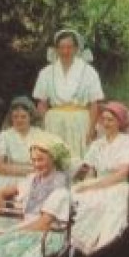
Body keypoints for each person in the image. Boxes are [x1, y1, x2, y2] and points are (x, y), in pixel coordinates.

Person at [71, 101, 129, 254]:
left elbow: (122, 174)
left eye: (110, 120)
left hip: (118, 185)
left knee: (103, 202)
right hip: (98, 182)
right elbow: (91, 172)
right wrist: (86, 185)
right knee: (75, 196)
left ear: (119, 122)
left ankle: (100, 245)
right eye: (103, 119)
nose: (106, 123)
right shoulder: (97, 144)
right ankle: (77, 242)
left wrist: (93, 186)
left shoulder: (127, 142)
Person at [32, 28, 104, 169]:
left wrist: (91, 129)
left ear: (76, 48)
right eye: (62, 47)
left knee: (79, 160)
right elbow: (42, 102)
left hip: (80, 121)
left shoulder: (88, 71)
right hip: (54, 122)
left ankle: (79, 186)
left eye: (69, 47)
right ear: (56, 49)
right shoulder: (46, 72)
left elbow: (95, 103)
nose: (66, 51)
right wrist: (43, 126)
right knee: (56, 160)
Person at [0, 95, 43, 191]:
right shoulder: (4, 136)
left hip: (35, 177)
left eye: (23, 117)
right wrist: (28, 171)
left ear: (31, 117)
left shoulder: (40, 134)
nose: (19, 120)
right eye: (15, 117)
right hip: (7, 177)